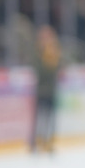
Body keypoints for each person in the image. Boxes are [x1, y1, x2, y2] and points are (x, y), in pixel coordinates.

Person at [32, 24, 61, 153]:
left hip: (51, 92)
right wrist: (47, 59)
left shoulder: (55, 52)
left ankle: (49, 143)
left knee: (50, 119)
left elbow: (57, 70)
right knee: (40, 119)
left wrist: (54, 59)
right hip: (42, 92)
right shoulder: (37, 53)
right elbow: (40, 72)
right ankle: (38, 143)